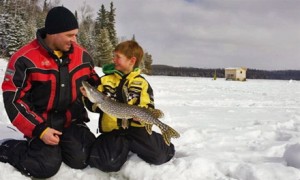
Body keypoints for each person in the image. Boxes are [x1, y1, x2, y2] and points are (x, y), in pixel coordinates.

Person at [0, 6, 99, 178]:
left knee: (81, 158)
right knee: (46, 165)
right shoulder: (24, 59)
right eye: (69, 35)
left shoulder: (83, 57)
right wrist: (39, 129)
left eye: (75, 34)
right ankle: (8, 148)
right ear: (53, 33)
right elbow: (14, 100)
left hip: (72, 122)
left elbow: (97, 88)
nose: (74, 40)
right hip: (41, 124)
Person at [81, 40, 175, 172]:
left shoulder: (141, 83)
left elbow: (148, 106)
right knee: (107, 163)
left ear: (132, 60)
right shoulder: (104, 80)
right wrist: (88, 96)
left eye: (118, 57)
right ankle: (119, 148)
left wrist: (142, 118)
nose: (113, 59)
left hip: (136, 131)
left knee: (159, 156)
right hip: (113, 132)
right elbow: (93, 107)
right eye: (114, 56)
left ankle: (164, 142)